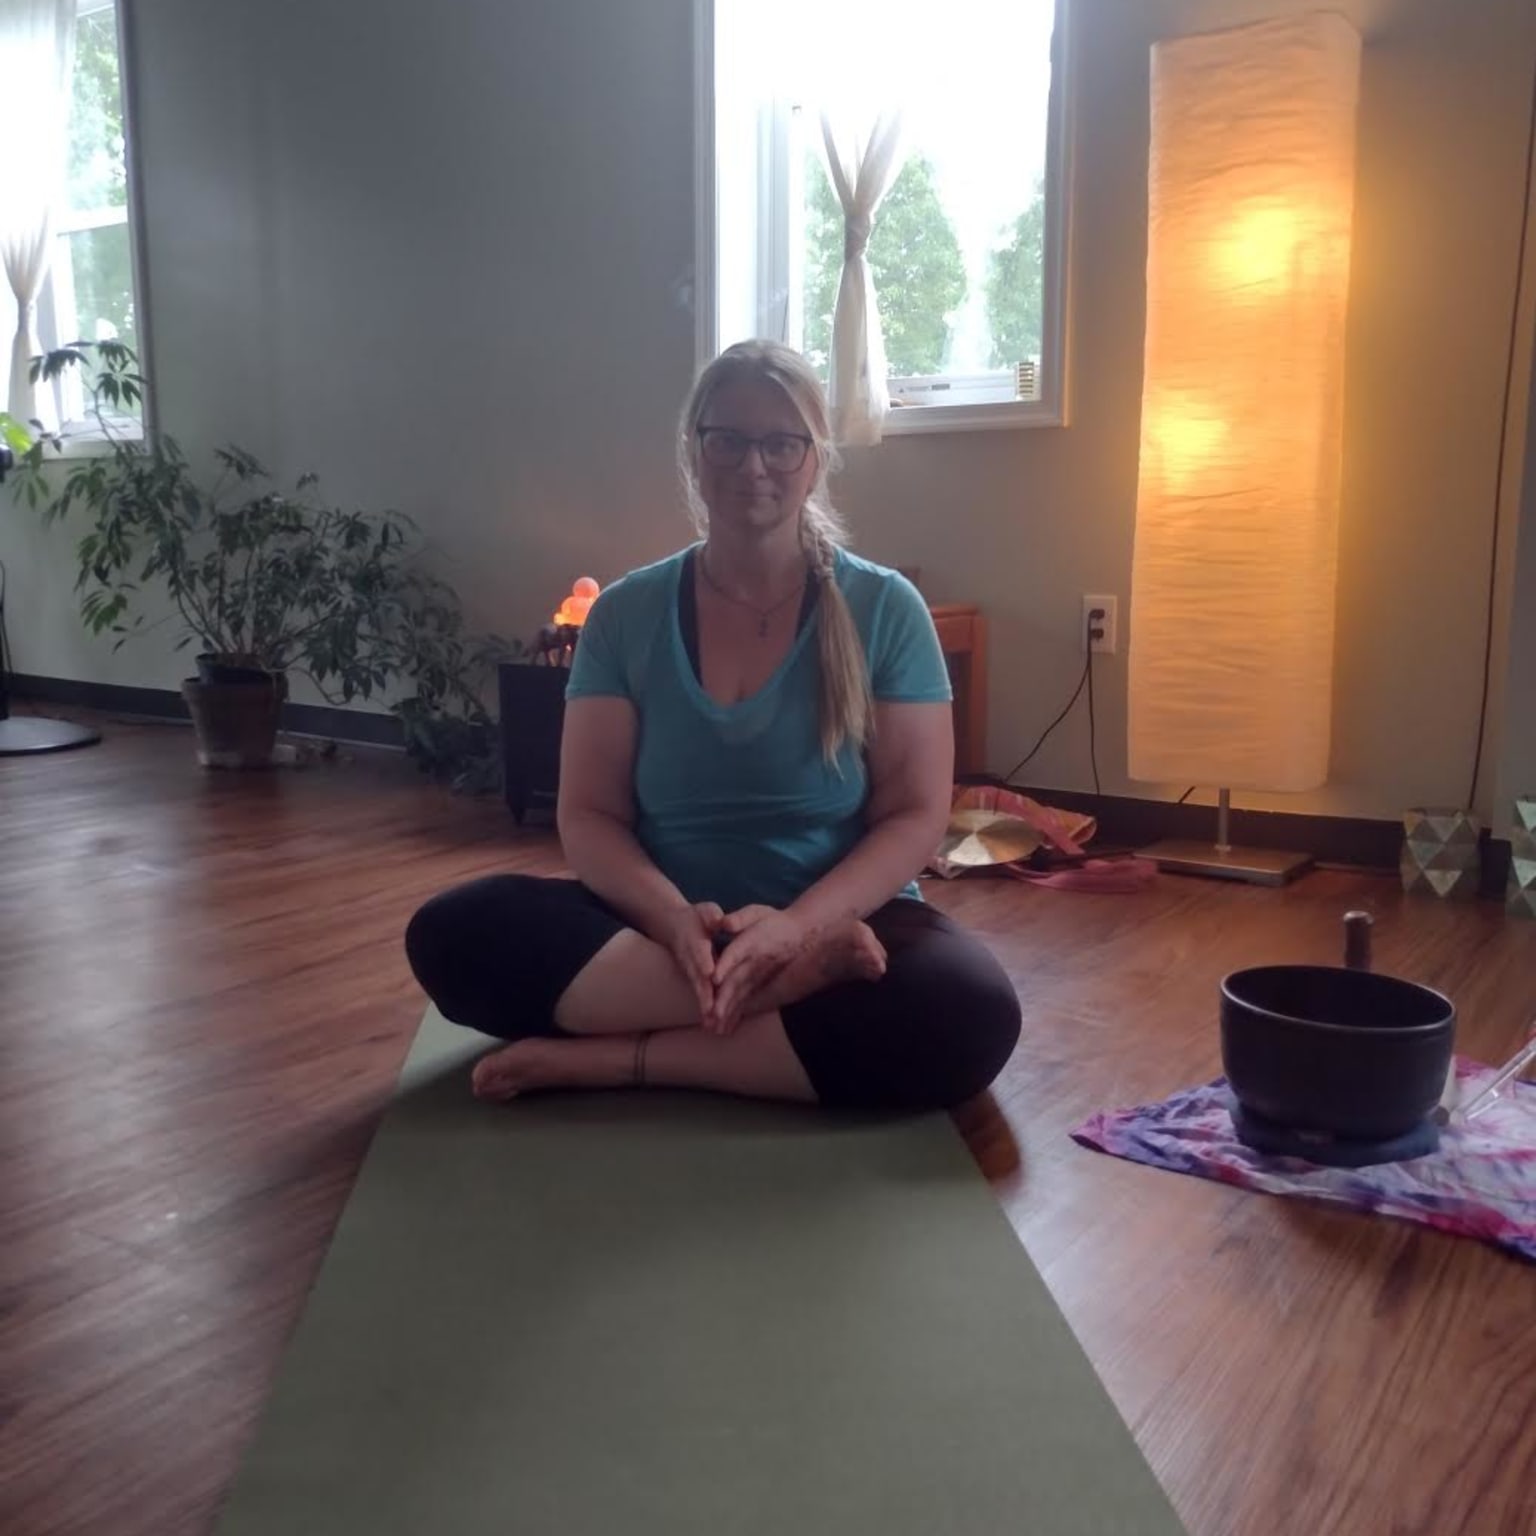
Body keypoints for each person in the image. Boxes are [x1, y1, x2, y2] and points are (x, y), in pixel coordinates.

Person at [405, 340, 1020, 1112]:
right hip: (659, 930)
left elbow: (914, 815)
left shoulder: (886, 608)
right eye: (726, 439)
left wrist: (797, 931)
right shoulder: (623, 614)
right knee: (452, 933)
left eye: (780, 443)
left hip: (836, 922)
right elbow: (590, 814)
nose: (752, 465)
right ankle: (781, 998)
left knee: (969, 1011)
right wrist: (673, 921)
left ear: (815, 459)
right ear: (693, 453)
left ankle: (621, 1058)